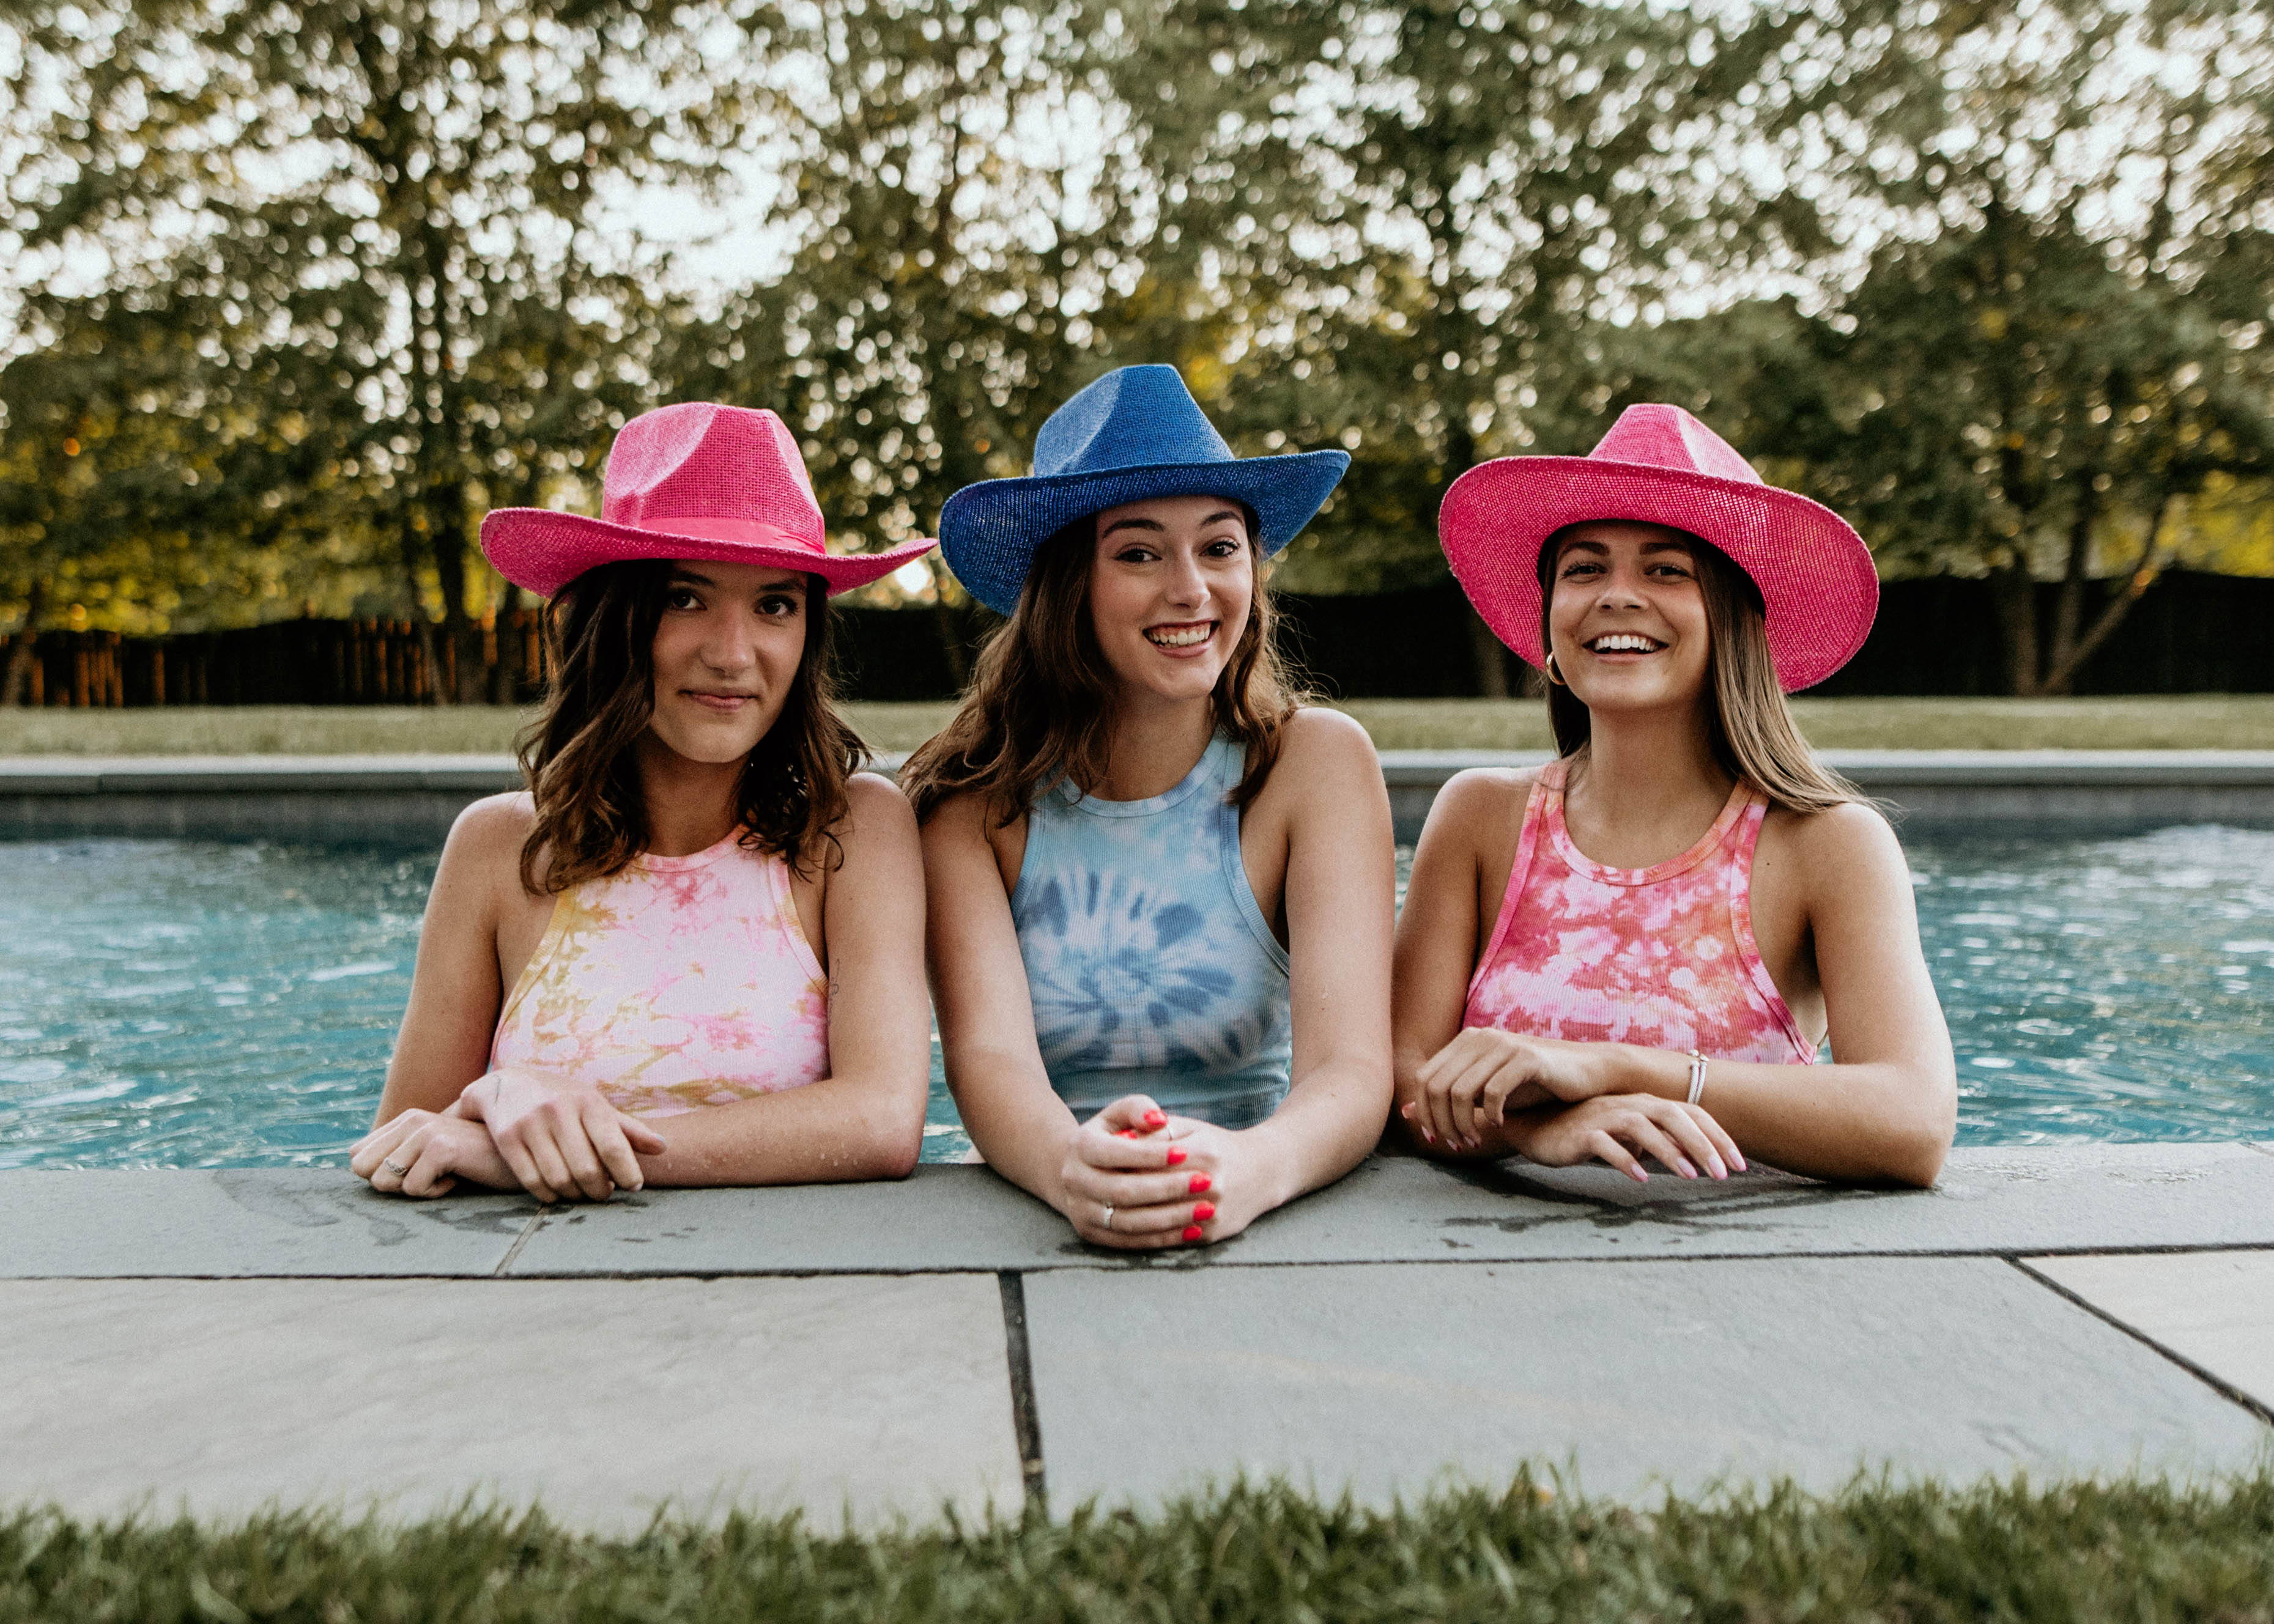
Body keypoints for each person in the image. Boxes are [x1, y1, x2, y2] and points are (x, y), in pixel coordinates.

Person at [350, 403, 936, 1200]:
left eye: (774, 604)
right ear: (611, 618)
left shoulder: (854, 830)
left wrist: (550, 1152)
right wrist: (498, 1102)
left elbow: (878, 1120)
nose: (732, 654)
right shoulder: (496, 849)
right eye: (683, 599)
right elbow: (404, 1145)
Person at [1395, 404, 1956, 1187]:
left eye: (1666, 569)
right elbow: (1397, 1087)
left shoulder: (1825, 842)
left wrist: (1617, 1069)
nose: (1617, 596)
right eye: (1584, 568)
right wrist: (1541, 1128)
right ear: (1550, 621)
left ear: (1732, 619)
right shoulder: (1480, 818)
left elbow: (1913, 1121)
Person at [903, 365, 1396, 1249]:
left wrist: (1253, 1169)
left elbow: (1352, 1068)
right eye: (1137, 553)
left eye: (1219, 547)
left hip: (1258, 1190)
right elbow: (989, 1062)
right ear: (1066, 583)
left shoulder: (1315, 765)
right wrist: (1073, 1170)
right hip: (1036, 1200)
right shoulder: (970, 803)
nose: (1191, 589)